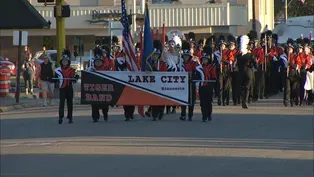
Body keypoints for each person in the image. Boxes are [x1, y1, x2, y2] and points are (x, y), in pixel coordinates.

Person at [179, 40, 204, 121]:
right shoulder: (180, 64)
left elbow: (201, 72)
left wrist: (197, 81)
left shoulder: (194, 63)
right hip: (183, 85)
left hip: (192, 83)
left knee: (191, 100)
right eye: (184, 56)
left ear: (189, 56)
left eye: (187, 56)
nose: (185, 57)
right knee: (183, 99)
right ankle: (183, 114)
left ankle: (190, 114)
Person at [88, 46, 112, 122]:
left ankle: (105, 114)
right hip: (94, 89)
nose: (98, 63)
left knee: (105, 104)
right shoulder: (92, 69)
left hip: (104, 89)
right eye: (97, 61)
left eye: (99, 61)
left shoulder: (106, 68)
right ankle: (95, 117)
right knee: (94, 103)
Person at [55, 50, 79, 124]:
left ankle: (70, 117)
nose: (65, 62)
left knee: (70, 103)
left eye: (66, 61)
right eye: (63, 61)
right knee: (61, 103)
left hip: (69, 88)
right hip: (62, 88)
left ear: (68, 62)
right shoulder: (57, 70)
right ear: (61, 61)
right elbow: (55, 79)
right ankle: (60, 117)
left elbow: (74, 79)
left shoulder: (72, 70)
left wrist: (76, 77)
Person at [236, 35, 257, 109]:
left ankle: (242, 100)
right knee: (247, 87)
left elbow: (237, 64)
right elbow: (255, 64)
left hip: (240, 72)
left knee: (241, 87)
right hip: (248, 72)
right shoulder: (251, 56)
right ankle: (245, 101)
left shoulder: (238, 56)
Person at [199, 51, 216, 122]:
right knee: (202, 102)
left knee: (209, 102)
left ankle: (209, 114)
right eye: (203, 59)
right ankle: (204, 115)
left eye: (206, 59)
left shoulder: (211, 67)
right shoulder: (199, 67)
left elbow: (214, 76)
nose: (204, 60)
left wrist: (213, 80)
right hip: (202, 86)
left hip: (209, 85)